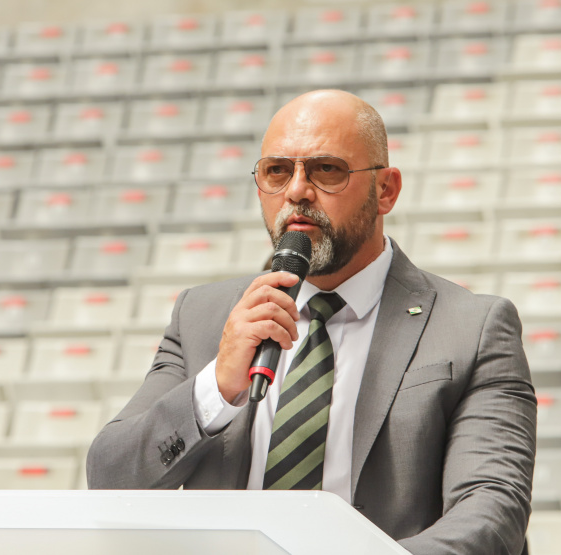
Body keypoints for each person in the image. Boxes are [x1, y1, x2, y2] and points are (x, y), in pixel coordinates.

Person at [87, 90, 537, 555]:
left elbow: (491, 512)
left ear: (385, 190)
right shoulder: (202, 315)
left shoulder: (474, 328)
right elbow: (109, 477)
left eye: (326, 169)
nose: (297, 191)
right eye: (277, 171)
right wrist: (215, 388)